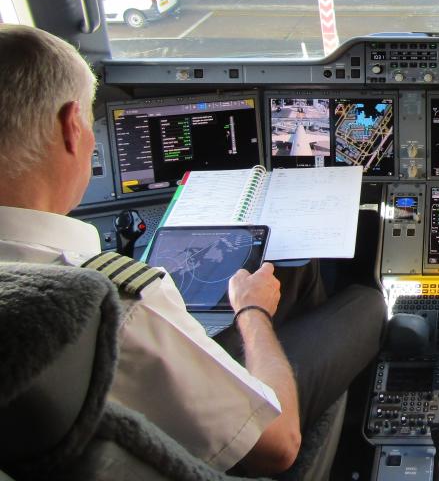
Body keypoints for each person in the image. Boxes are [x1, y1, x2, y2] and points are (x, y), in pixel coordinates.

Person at [0, 24, 385, 475]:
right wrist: (252, 313)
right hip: (239, 456)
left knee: (295, 273)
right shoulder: (115, 307)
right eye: (88, 117)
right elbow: (278, 445)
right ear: (71, 128)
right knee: (366, 300)